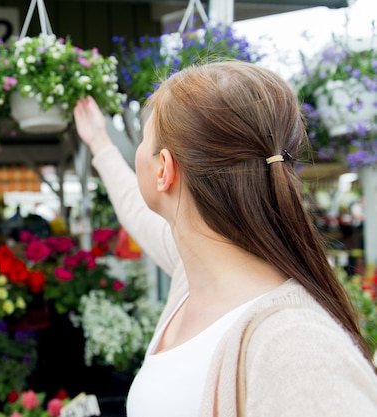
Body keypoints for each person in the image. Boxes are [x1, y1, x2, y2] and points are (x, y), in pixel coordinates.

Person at [73, 61, 377, 416]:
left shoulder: (295, 344)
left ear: (164, 170)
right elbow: (135, 212)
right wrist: (99, 141)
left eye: (143, 140)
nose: (138, 149)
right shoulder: (195, 273)